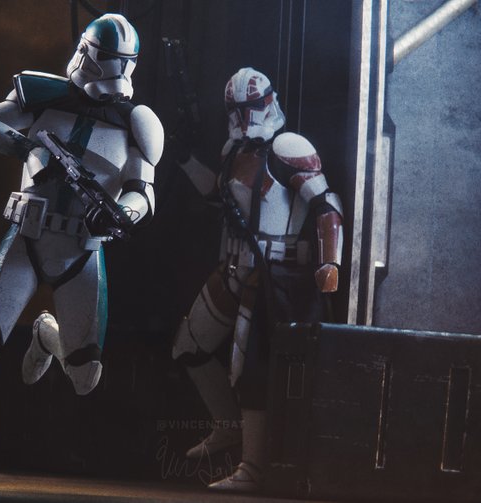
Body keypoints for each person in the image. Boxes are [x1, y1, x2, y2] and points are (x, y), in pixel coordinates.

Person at [0, 12, 163, 485]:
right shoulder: (43, 95)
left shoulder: (137, 122)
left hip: (84, 249)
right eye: (103, 58)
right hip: (28, 236)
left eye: (118, 62)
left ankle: (47, 335)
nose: (108, 70)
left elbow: (143, 192)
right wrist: (27, 148)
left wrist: (123, 213)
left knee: (85, 376)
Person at [171, 67, 344, 492]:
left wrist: (331, 263)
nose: (244, 116)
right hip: (233, 269)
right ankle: (227, 426)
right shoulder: (235, 150)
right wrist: (185, 159)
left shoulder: (288, 147)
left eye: (251, 107)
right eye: (237, 109)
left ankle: (252, 467)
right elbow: (218, 197)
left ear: (269, 103)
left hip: (272, 275)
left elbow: (326, 205)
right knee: (189, 347)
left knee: (248, 370)